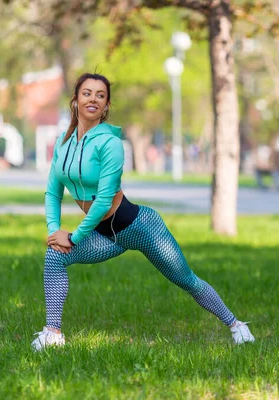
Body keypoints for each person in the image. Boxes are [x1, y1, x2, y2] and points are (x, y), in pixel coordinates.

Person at [31, 73, 255, 350]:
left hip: (140, 227)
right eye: (87, 93)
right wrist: (55, 231)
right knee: (54, 256)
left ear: (106, 105)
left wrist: (74, 237)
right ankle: (53, 334)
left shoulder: (110, 143)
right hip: (104, 236)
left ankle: (236, 325)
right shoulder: (63, 146)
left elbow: (103, 201)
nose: (93, 99)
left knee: (186, 280)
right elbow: (53, 192)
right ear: (75, 100)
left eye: (100, 95)